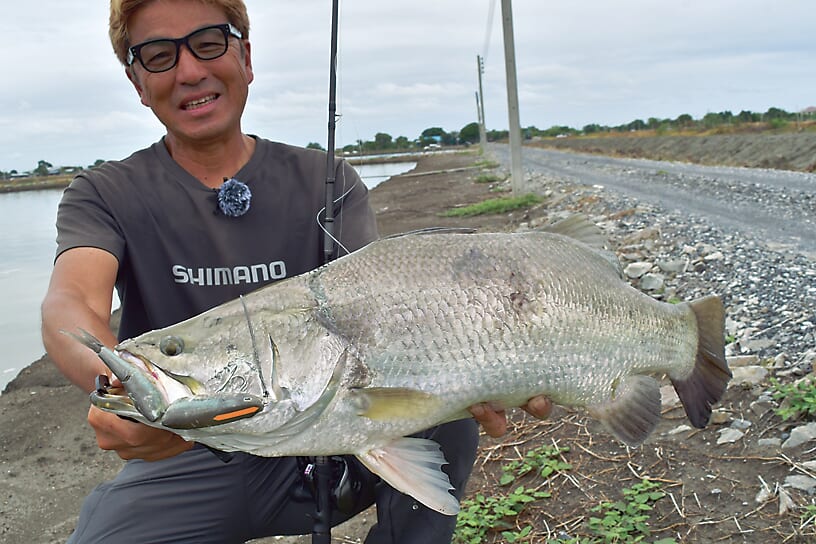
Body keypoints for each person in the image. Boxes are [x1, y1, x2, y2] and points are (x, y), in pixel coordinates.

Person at [41, 0, 552, 542]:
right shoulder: (103, 193)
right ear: (137, 82)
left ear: (246, 56)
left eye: (209, 43)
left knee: (442, 403)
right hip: (187, 449)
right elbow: (68, 307)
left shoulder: (326, 178)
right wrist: (119, 384)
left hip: (327, 443)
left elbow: (384, 321)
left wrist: (485, 362)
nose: (190, 71)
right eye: (159, 55)